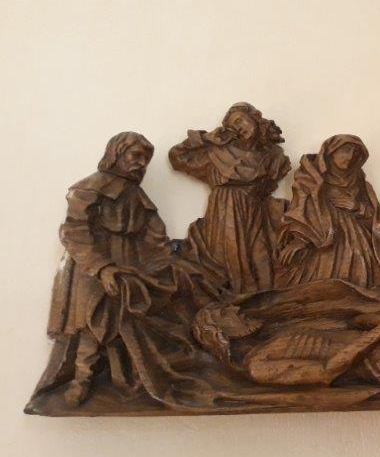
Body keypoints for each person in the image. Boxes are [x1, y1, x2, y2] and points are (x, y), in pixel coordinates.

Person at [35, 133, 217, 407]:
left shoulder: (136, 195)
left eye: (146, 159)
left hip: (130, 265)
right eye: (136, 156)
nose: (141, 163)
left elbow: (155, 237)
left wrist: (172, 259)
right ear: (116, 154)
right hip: (92, 267)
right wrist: (104, 269)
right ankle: (82, 380)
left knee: (138, 312)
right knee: (93, 321)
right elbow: (75, 232)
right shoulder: (90, 188)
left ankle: (136, 372)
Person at [169, 102, 291, 293]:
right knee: (230, 260)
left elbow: (272, 180)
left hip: (257, 212)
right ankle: (234, 302)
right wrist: (207, 138)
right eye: (233, 126)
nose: (239, 127)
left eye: (240, 120)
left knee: (262, 258)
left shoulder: (274, 156)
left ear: (255, 118)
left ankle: (267, 302)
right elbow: (177, 157)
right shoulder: (219, 153)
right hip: (225, 211)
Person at [275, 135, 380, 288]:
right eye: (346, 150)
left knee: (358, 283)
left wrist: (358, 207)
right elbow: (299, 212)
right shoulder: (310, 180)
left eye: (355, 152)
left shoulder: (363, 186)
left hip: (358, 245)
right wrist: (300, 240)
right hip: (321, 242)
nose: (350, 156)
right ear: (330, 152)